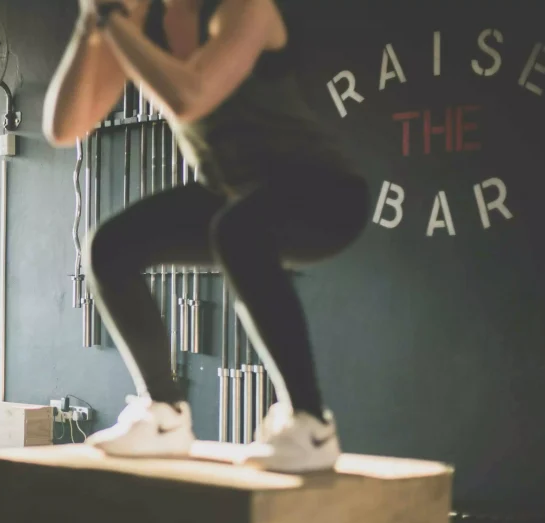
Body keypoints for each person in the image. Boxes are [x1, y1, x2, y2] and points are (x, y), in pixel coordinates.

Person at [44, 0, 369, 472]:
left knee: (238, 231)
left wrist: (113, 21)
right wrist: (89, 24)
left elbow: (190, 95)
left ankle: (311, 424)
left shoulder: (245, 9)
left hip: (325, 192)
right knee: (110, 247)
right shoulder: (141, 27)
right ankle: (164, 414)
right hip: (234, 194)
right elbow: (64, 127)